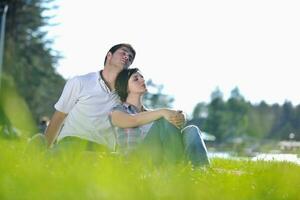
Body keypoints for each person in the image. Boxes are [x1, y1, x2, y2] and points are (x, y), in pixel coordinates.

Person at [44, 43, 185, 152]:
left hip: (103, 152)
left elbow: (140, 115)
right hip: (72, 143)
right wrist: (43, 151)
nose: (127, 57)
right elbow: (59, 117)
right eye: (123, 52)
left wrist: (175, 114)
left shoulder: (125, 94)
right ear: (109, 55)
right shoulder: (80, 82)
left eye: (130, 57)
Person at [110, 68, 210, 166]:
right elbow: (133, 120)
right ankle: (176, 168)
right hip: (136, 163)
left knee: (192, 130)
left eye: (142, 77)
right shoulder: (117, 111)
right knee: (163, 120)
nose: (142, 80)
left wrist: (181, 116)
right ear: (125, 87)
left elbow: (169, 121)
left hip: (160, 159)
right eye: (136, 79)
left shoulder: (152, 114)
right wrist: (163, 112)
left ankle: (202, 172)